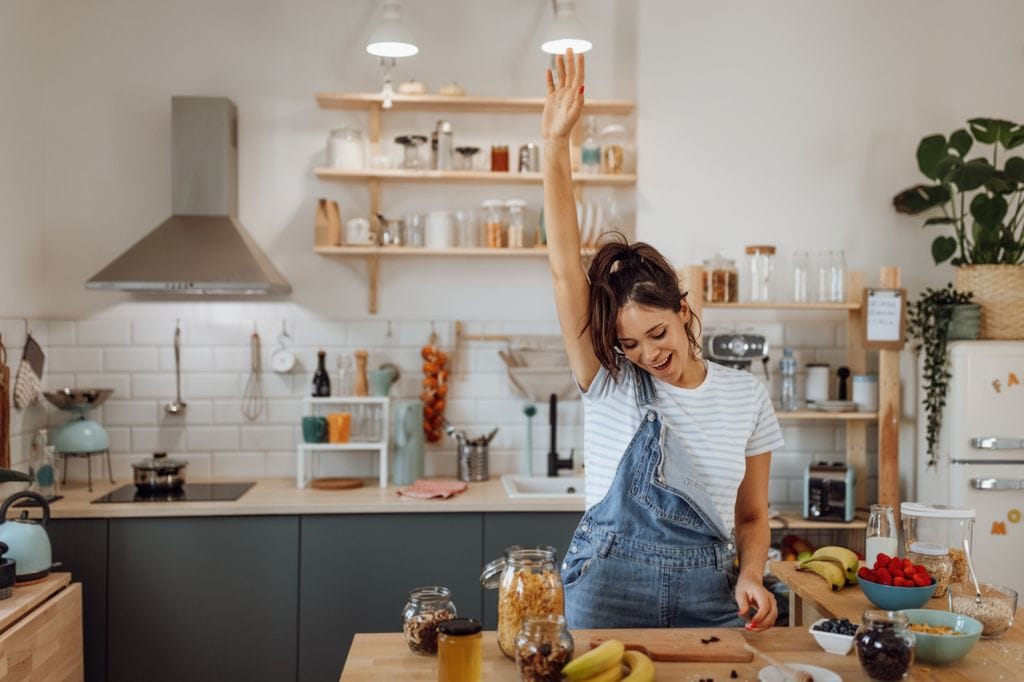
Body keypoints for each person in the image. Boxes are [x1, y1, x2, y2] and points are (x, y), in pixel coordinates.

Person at [542, 49, 784, 631]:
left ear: (684, 310)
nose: (647, 355)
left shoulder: (746, 398)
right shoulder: (609, 383)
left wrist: (751, 573)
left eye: (657, 332)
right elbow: (564, 271)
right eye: (629, 344)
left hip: (712, 594)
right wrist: (554, 146)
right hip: (606, 592)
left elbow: (751, 517)